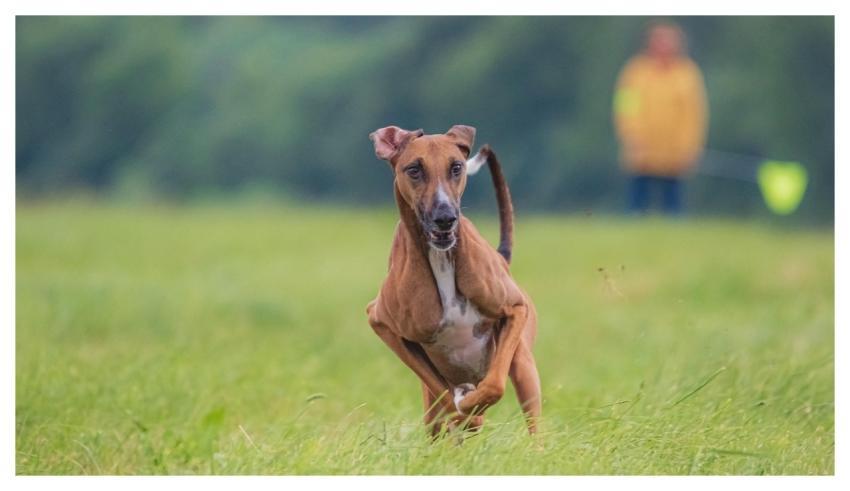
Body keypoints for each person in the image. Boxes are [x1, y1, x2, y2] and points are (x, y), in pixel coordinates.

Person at [613, 20, 708, 215]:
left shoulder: (688, 74)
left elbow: (695, 114)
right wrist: (631, 135)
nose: (664, 45)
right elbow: (625, 107)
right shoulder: (635, 72)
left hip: (674, 151)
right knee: (637, 201)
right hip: (642, 148)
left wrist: (690, 146)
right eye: (660, 40)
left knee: (673, 203)